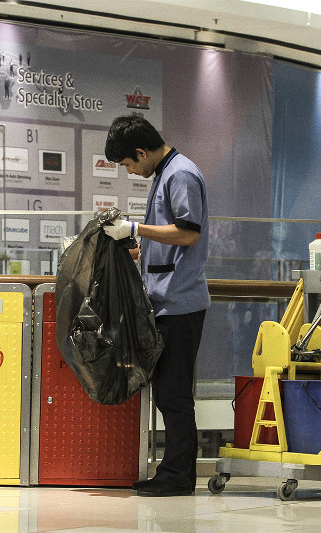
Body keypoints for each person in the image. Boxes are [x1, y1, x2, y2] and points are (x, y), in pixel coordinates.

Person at [103, 114, 210, 497]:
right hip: (167, 301)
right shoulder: (165, 173)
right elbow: (169, 239)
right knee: (169, 393)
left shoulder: (179, 174)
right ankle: (174, 471)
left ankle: (179, 476)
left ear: (140, 151)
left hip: (180, 304)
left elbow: (188, 233)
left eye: (129, 164)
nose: (131, 171)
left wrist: (136, 228)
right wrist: (140, 250)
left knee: (174, 394)